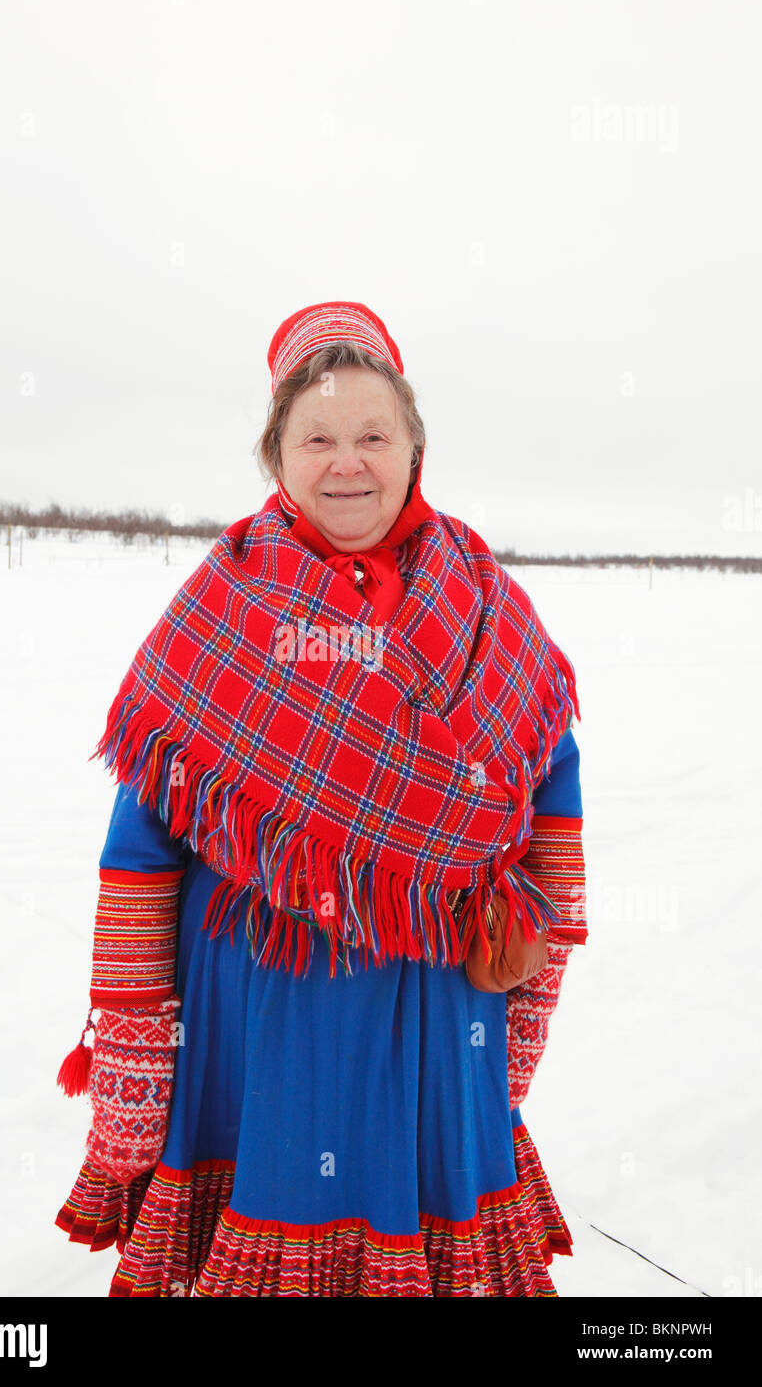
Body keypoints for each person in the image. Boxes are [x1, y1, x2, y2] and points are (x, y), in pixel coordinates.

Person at [54, 300, 588, 1297]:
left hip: (439, 1010)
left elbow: (549, 788)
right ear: (277, 456)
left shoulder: (489, 604)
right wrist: (132, 1048)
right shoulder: (222, 605)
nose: (348, 461)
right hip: (261, 1012)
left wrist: (534, 981)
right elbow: (141, 841)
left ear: (412, 447)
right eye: (318, 437)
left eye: (373, 434)